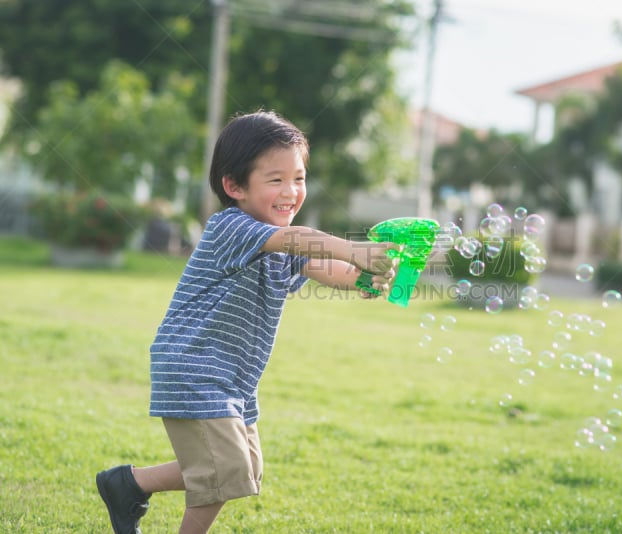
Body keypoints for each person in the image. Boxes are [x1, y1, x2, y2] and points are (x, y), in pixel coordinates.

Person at [96, 110, 397, 534]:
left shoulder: (281, 240)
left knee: (245, 468)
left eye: (299, 178)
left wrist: (369, 277)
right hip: (195, 366)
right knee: (225, 473)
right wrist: (356, 249)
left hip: (233, 378)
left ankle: (129, 484)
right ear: (234, 186)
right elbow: (298, 239)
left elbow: (329, 269)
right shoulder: (232, 227)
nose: (291, 192)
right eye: (275, 180)